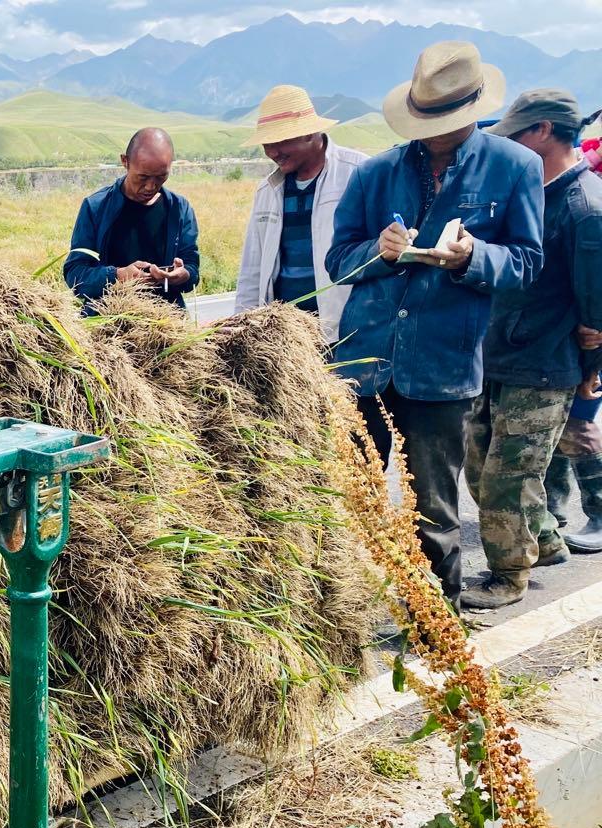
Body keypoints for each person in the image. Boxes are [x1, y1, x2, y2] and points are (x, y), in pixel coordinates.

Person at [325, 42, 544, 607]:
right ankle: (347, 610)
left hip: (442, 363)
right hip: (363, 359)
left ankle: (434, 617)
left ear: (472, 110)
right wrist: (380, 251)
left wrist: (472, 256)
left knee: (434, 507)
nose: (434, 132)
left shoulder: (515, 167)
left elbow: (525, 264)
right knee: (352, 495)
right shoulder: (378, 173)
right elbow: (337, 258)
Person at [461, 90, 602, 608]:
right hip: (498, 353)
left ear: (542, 131)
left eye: (516, 134)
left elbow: (596, 308)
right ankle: (543, 541)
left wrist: (591, 369)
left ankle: (508, 576)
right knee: (478, 468)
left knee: (508, 480)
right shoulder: (530, 192)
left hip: (545, 364)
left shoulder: (585, 208)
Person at [236, 85, 370, 343]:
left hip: (345, 331)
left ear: (310, 133)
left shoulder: (358, 173)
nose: (273, 152)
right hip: (287, 338)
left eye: (282, 141)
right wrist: (243, 329)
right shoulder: (267, 190)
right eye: (267, 144)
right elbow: (252, 269)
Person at [64, 127, 199, 312]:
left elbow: (192, 268)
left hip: (166, 322)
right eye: (142, 177)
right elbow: (75, 275)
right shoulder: (95, 207)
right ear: (125, 162)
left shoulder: (179, 208)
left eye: (161, 177)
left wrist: (183, 275)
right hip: (107, 321)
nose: (151, 186)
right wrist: (117, 276)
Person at [547, 370, 602, 553]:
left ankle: (600, 517)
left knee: (576, 422)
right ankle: (551, 504)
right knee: (549, 417)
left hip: (588, 354)